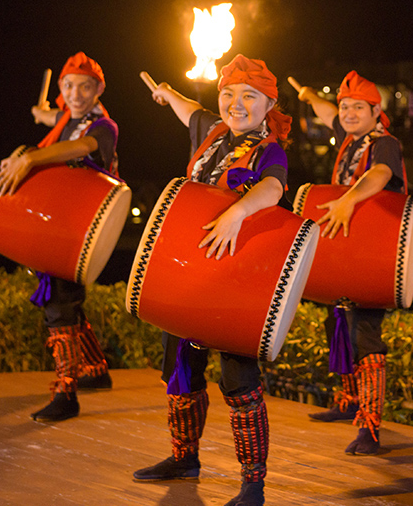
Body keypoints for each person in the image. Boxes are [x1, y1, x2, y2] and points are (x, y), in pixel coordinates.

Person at [132, 54, 292, 506]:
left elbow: (273, 188)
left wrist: (237, 212)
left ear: (269, 105)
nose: (236, 104)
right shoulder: (213, 133)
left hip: (236, 278)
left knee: (238, 378)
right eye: (229, 94)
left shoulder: (269, 150)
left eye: (249, 96)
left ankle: (252, 484)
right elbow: (190, 111)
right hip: (191, 270)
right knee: (181, 369)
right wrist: (167, 94)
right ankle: (184, 458)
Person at [0, 51, 117, 422]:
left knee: (59, 306)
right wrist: (43, 114)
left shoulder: (103, 126)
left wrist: (30, 158)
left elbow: (82, 146)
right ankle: (96, 370)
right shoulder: (67, 117)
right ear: (61, 88)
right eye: (69, 86)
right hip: (56, 223)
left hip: (78, 229)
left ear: (98, 91)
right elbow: (56, 118)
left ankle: (66, 393)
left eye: (85, 87)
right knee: (68, 302)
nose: (76, 94)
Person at [291, 70, 406, 456]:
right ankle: (348, 400)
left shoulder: (384, 143)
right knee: (338, 323)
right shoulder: (350, 137)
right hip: (347, 248)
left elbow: (381, 174)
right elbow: (328, 114)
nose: (349, 114)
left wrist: (348, 199)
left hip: (374, 251)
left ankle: (370, 427)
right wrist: (310, 96)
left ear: (376, 111)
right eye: (345, 107)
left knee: (364, 335)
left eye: (359, 107)